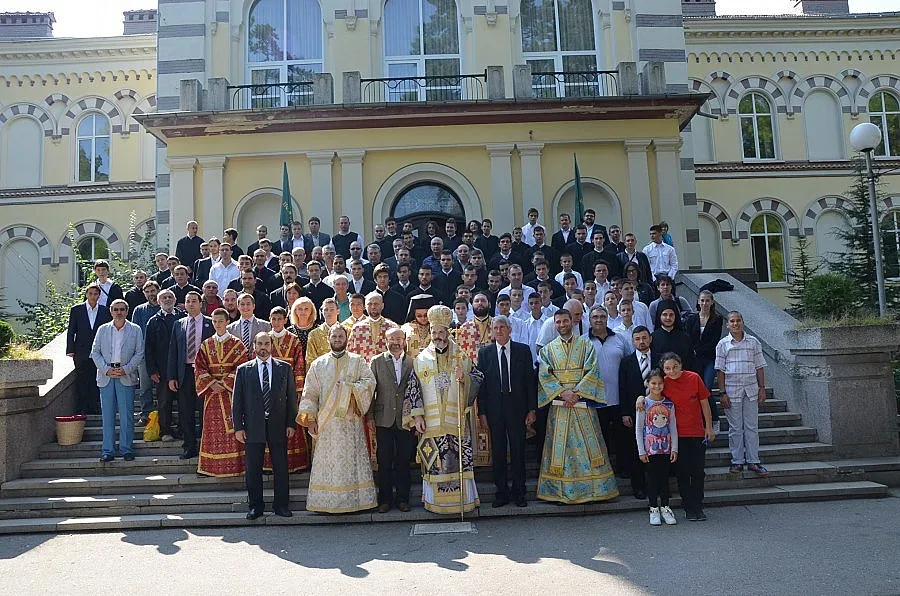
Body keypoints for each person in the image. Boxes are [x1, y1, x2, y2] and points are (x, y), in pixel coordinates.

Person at [404, 305, 484, 514]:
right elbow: (413, 388)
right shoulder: (421, 360)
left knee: (458, 462)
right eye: (434, 332)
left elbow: (478, 377)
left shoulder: (461, 356)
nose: (438, 336)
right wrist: (418, 415)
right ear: (430, 333)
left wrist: (464, 378)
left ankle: (462, 501)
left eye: (441, 332)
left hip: (456, 421)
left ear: (447, 332)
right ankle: (436, 503)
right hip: (431, 423)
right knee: (434, 462)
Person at [536, 310, 618, 504]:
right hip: (560, 405)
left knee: (589, 447)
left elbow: (593, 371)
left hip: (582, 404)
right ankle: (559, 492)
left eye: (565, 321)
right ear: (554, 324)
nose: (562, 324)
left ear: (572, 322)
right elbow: (544, 375)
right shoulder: (547, 350)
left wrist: (577, 393)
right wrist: (563, 393)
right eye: (558, 322)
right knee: (561, 449)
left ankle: (594, 491)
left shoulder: (586, 345)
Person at [299, 324, 378, 513]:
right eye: (334, 336)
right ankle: (326, 502)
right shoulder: (318, 364)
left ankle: (356, 502)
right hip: (327, 426)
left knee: (351, 462)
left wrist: (350, 388)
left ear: (347, 338)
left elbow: (370, 382)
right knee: (329, 464)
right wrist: (310, 419)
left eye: (340, 336)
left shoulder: (357, 362)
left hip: (350, 423)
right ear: (329, 338)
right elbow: (309, 392)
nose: (337, 339)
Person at [639, 353, 715, 521]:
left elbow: (705, 403)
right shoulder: (664, 383)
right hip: (675, 435)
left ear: (681, 365)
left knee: (698, 472)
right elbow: (652, 394)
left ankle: (698, 505)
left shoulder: (694, 378)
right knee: (682, 472)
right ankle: (688, 506)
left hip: (696, 432)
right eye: (668, 368)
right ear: (663, 369)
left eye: (675, 367)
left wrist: (708, 427)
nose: (672, 371)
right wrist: (639, 398)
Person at [233, 332, 298, 519]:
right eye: (260, 343)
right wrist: (239, 427)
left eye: (267, 343)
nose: (263, 347)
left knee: (281, 467)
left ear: (272, 345)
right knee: (253, 469)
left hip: (279, 426)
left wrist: (291, 423)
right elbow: (237, 401)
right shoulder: (243, 370)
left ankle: (281, 506)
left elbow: (291, 399)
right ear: (254, 346)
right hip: (253, 427)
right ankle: (255, 506)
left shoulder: (284, 368)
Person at [476, 316, 536, 508]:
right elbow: (482, 386)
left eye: (503, 327)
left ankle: (520, 492)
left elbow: (530, 382)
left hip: (517, 407)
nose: (499, 331)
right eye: (496, 328)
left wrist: (531, 409)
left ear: (510, 330)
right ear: (492, 331)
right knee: (499, 451)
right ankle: (501, 492)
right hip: (495, 408)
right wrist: (482, 413)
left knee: (518, 450)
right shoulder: (484, 353)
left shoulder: (523, 350)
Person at [194, 308, 249, 477]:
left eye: (221, 321)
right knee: (212, 429)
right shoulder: (206, 344)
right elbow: (199, 366)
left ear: (227, 322)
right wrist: (211, 383)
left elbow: (242, 365)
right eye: (215, 321)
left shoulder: (237, 344)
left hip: (231, 393)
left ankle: (236, 467)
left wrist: (225, 383)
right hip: (212, 393)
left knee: (234, 426)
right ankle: (212, 466)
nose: (218, 324)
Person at [715, 311, 769, 477]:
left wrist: (762, 388)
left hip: (751, 390)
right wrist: (722, 392)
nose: (736, 324)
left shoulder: (753, 342)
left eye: (738, 320)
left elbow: (759, 366)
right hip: (732, 391)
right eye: (732, 321)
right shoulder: (723, 344)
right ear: (728, 324)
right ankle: (737, 461)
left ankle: (754, 461)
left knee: (752, 426)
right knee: (735, 428)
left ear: (743, 322)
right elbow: (720, 370)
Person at [371, 327, 418, 512]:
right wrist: (369, 417)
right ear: (386, 341)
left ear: (404, 341)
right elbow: (371, 391)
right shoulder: (376, 362)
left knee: (404, 460)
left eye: (399, 339)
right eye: (392, 339)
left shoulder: (413, 362)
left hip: (405, 420)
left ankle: (402, 499)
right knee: (384, 461)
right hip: (383, 419)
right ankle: (384, 500)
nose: (396, 342)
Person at [91, 299, 143, 462]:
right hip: (106, 376)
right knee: (108, 416)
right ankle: (108, 450)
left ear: (127, 311)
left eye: (122, 309)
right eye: (116, 309)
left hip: (125, 375)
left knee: (127, 415)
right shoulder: (102, 329)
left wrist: (126, 369)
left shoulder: (135, 329)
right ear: (111, 311)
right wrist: (106, 369)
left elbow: (139, 353)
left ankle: (126, 449)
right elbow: (95, 352)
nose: (119, 312)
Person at [167, 292, 214, 460]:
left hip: (205, 372)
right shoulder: (179, 324)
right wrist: (172, 376)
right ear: (184, 305)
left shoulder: (210, 323)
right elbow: (173, 351)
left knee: (204, 410)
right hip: (185, 372)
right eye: (188, 301)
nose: (191, 304)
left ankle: (206, 446)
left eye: (194, 301)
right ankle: (189, 446)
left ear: (201, 303)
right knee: (185, 411)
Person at [587, 305, 632, 479]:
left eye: (602, 317)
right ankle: (603, 473)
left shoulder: (620, 339)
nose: (598, 320)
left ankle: (624, 469)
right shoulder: (583, 341)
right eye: (595, 317)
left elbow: (629, 365)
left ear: (607, 319)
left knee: (622, 438)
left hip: (618, 398)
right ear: (590, 320)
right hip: (594, 399)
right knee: (600, 438)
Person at [268, 306, 311, 472]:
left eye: (280, 319)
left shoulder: (293, 340)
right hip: (269, 389)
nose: (277, 322)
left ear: (285, 320)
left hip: (289, 389)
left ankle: (295, 463)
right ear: (270, 320)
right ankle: (269, 463)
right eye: (273, 319)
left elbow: (299, 366)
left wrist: (298, 390)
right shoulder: (265, 338)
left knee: (290, 423)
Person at [636, 368, 679, 526]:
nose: (657, 386)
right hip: (650, 449)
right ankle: (653, 508)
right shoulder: (643, 403)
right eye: (653, 383)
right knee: (653, 479)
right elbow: (639, 428)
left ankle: (666, 507)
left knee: (664, 479)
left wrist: (674, 448)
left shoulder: (669, 404)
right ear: (648, 384)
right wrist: (641, 450)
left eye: (660, 383)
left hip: (666, 448)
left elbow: (673, 427)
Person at [618, 325, 656, 500]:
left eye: (644, 338)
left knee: (657, 450)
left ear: (650, 338)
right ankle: (639, 487)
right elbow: (623, 388)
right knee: (636, 450)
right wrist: (625, 412)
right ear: (633, 341)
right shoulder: (626, 362)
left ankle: (658, 486)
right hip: (635, 413)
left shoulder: (660, 359)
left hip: (658, 412)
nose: (642, 342)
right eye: (637, 339)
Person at [144, 288, 184, 441]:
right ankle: (165, 431)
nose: (167, 300)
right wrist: (152, 370)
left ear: (174, 300)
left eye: (170, 297)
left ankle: (183, 430)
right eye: (164, 298)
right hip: (162, 370)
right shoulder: (153, 321)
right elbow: (148, 348)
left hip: (181, 368)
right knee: (164, 402)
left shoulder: (183, 318)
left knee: (183, 402)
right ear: (159, 301)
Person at [67, 284, 111, 415]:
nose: (93, 296)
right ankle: (83, 407)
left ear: (99, 295)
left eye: (95, 294)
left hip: (99, 351)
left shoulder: (105, 310)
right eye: (90, 293)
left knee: (97, 379)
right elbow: (71, 330)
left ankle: (95, 406)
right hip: (81, 350)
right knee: (82, 379)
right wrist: (70, 349)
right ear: (86, 294)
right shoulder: (77, 309)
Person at [684, 290, 724, 430]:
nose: (705, 303)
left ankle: (714, 419)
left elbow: (714, 341)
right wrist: (692, 351)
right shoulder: (691, 319)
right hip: (694, 360)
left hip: (709, 359)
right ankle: (700, 421)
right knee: (696, 391)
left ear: (712, 302)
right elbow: (687, 338)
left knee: (706, 389)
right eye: (702, 300)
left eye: (707, 300)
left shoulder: (717, 319)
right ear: (698, 302)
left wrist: (697, 350)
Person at [130, 280, 160, 425]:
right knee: (145, 386)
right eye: (147, 292)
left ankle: (164, 415)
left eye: (153, 291)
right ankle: (146, 414)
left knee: (163, 387)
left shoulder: (164, 307)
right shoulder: (139, 310)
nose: (150, 294)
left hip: (162, 354)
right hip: (144, 354)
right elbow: (134, 331)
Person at [651, 300, 694, 370]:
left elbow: (691, 361)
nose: (668, 318)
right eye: (664, 314)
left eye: (671, 315)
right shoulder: (653, 338)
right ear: (659, 316)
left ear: (675, 316)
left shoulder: (685, 338)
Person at [227, 293, 272, 357]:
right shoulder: (230, 329)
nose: (245, 307)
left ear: (253, 306)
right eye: (242, 304)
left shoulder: (265, 326)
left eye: (248, 304)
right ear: (238, 307)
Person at [306, 298, 340, 366]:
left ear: (338, 311)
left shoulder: (347, 331)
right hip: (321, 372)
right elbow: (310, 360)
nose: (329, 312)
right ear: (322, 311)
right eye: (326, 310)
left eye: (332, 309)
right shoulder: (314, 334)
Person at [401, 294, 435, 359]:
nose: (423, 318)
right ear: (414, 315)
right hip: (411, 365)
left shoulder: (436, 327)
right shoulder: (405, 328)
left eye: (426, 315)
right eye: (419, 316)